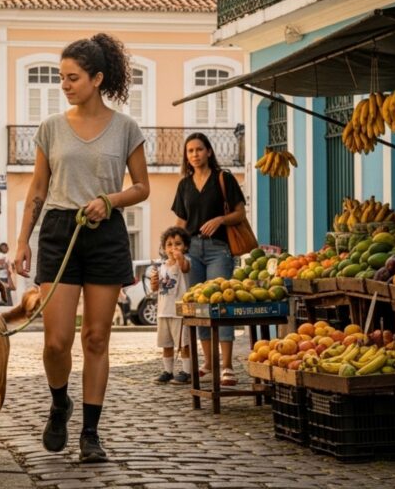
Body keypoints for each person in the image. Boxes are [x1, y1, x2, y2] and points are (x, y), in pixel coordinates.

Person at [13, 33, 149, 463]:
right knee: (56, 342)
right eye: (61, 77)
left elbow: (143, 187)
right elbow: (37, 186)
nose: (64, 85)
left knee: (95, 338)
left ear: (97, 78)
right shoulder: (51, 127)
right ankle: (60, 403)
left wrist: (110, 200)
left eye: (72, 78)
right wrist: (22, 241)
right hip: (59, 229)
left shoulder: (126, 128)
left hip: (106, 232)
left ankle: (90, 433)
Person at [171, 132, 246, 387]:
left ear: (209, 152)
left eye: (199, 150)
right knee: (199, 308)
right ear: (187, 156)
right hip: (192, 251)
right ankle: (208, 362)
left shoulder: (223, 179)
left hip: (218, 250)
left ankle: (226, 366)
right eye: (190, 151)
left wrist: (220, 220)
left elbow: (239, 213)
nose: (195, 154)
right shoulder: (184, 185)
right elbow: (181, 222)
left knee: (221, 307)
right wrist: (173, 249)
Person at [150, 227, 192, 385]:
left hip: (179, 312)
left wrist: (179, 257)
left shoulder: (185, 263)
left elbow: (184, 267)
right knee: (166, 343)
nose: (173, 248)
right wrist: (153, 283)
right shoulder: (161, 266)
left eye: (178, 244)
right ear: (163, 248)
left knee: (184, 343)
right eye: (169, 244)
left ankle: (187, 372)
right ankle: (168, 371)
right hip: (163, 311)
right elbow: (155, 288)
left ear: (185, 247)